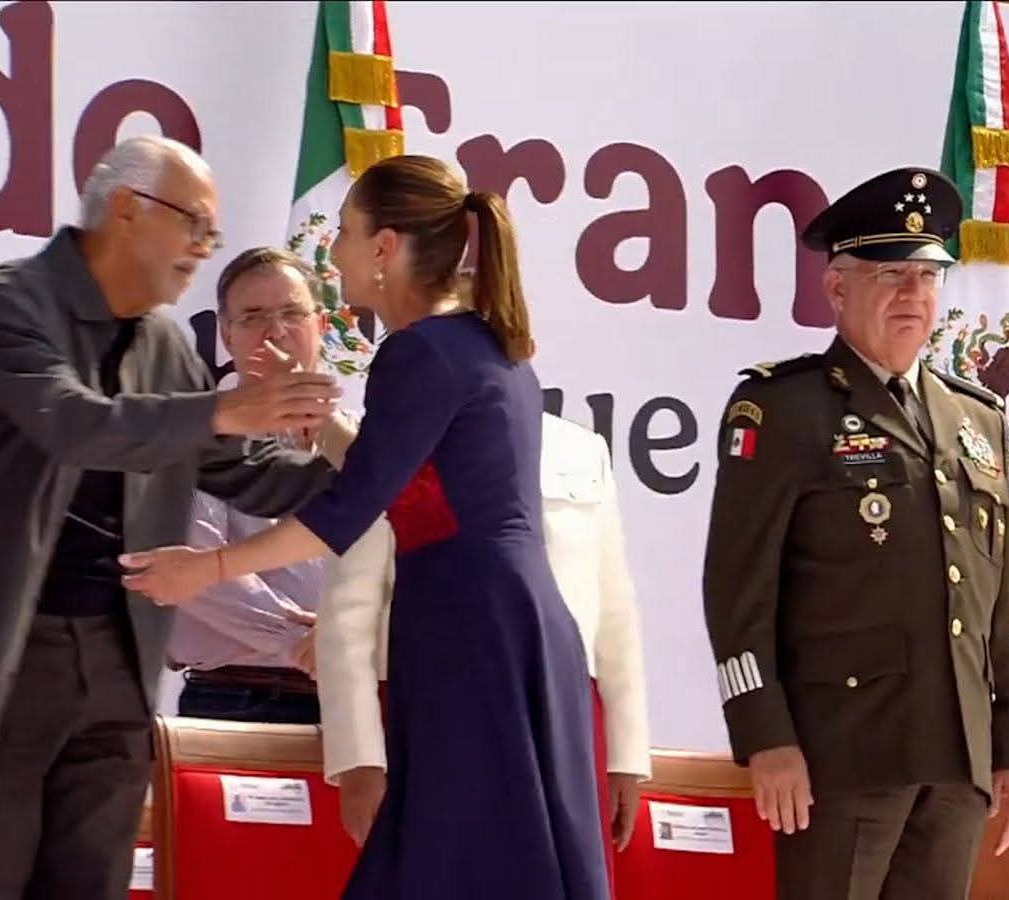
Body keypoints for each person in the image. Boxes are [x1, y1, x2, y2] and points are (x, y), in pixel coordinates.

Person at [0, 135, 343, 900]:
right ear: (127, 210)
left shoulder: (165, 342)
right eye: (196, 227)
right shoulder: (9, 301)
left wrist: (366, 474)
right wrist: (226, 408)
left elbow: (240, 472)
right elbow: (73, 422)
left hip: (116, 659)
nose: (201, 250)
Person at [120, 154, 610, 900]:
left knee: (456, 865)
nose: (334, 251)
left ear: (385, 249)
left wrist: (206, 569)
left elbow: (345, 514)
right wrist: (320, 423)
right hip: (495, 630)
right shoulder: (482, 344)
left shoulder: (417, 352)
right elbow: (413, 486)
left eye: (344, 232)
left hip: (470, 635)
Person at [700, 166, 1009, 900]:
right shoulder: (782, 409)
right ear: (837, 289)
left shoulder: (976, 418)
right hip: (839, 756)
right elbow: (736, 593)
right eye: (891, 276)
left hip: (956, 758)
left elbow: (999, 609)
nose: (913, 298)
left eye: (927, 278)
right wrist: (765, 735)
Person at [315, 410, 653, 876]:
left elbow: (614, 611)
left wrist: (624, 757)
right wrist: (359, 759)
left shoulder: (581, 448)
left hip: (563, 715)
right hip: (432, 711)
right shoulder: (399, 436)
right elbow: (348, 613)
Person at [166, 247, 338, 724]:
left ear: (321, 324)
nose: (276, 332)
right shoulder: (200, 433)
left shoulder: (367, 437)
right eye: (254, 317)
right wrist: (302, 643)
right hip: (238, 699)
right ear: (225, 333)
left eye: (291, 314)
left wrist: (352, 639)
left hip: (360, 701)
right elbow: (192, 571)